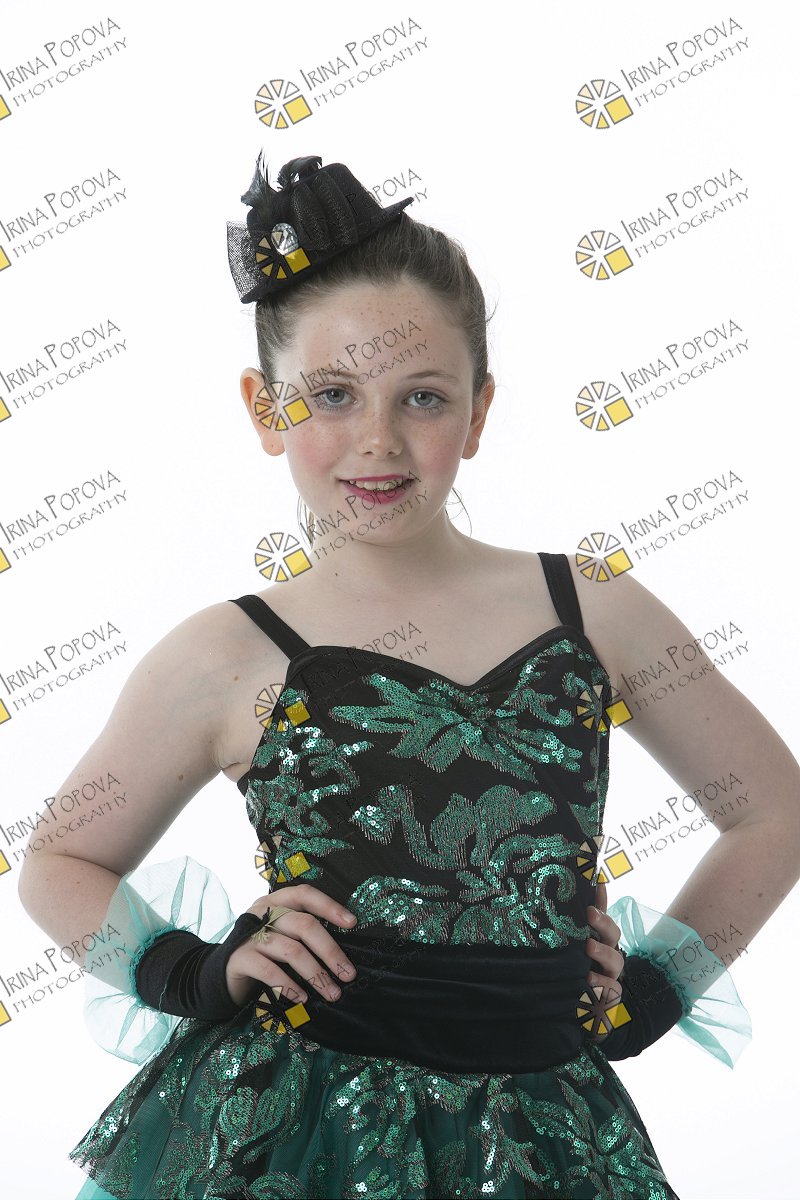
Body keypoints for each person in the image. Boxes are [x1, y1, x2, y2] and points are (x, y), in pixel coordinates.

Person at [18, 152, 789, 1200]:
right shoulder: (224, 654)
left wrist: (649, 993)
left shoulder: (592, 609)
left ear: (478, 411)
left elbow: (772, 810)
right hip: (294, 1132)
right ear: (266, 409)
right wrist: (194, 971)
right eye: (332, 395)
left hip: (539, 1136)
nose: (376, 441)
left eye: (422, 397)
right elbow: (59, 858)